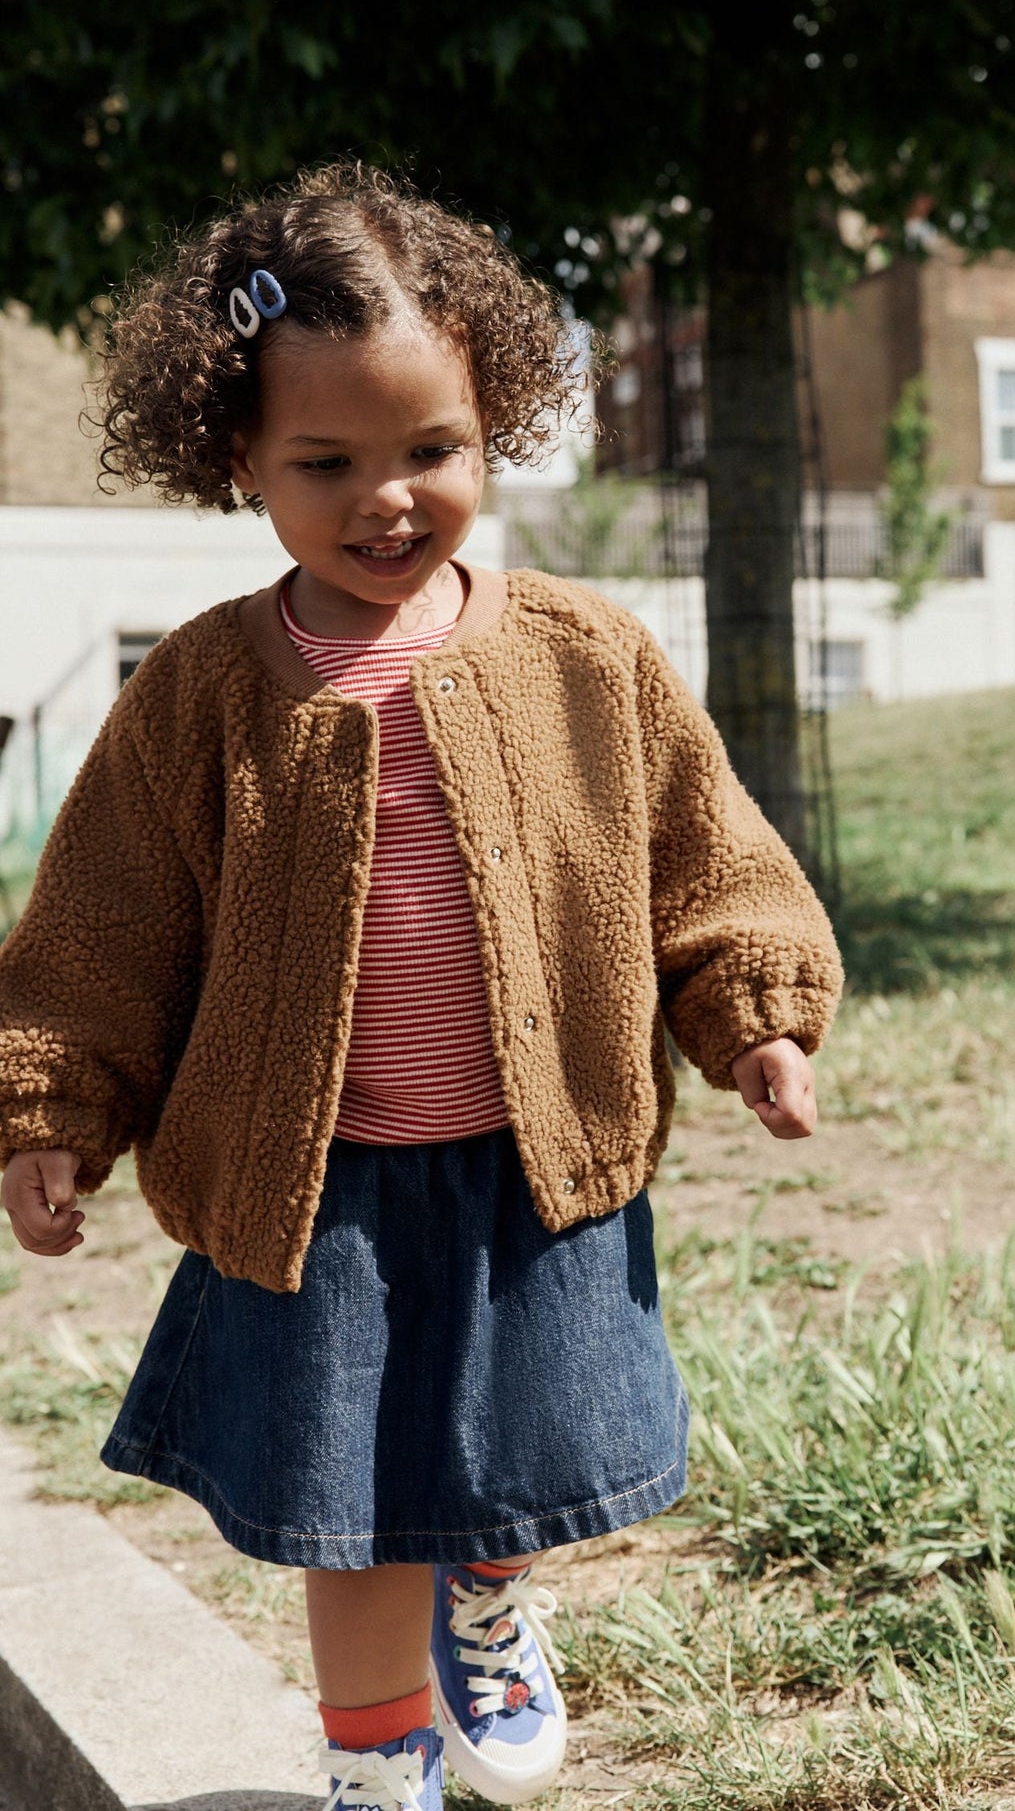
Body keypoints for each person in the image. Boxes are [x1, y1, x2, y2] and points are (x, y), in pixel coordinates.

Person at [0, 166, 843, 1811]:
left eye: (432, 450)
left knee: (519, 1459)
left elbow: (703, 855)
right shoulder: (200, 691)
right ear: (238, 459)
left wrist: (754, 1014)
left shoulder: (586, 657)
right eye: (325, 462)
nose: (386, 499)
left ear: (493, 424)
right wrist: (52, 1106)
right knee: (357, 1511)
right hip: (316, 1189)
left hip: (538, 1160)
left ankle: (491, 1600)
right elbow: (102, 927)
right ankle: (377, 1771)